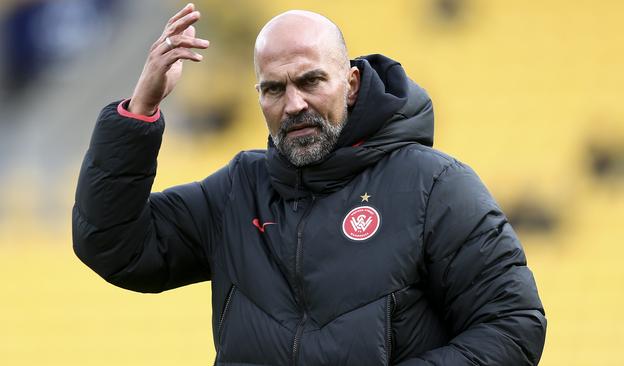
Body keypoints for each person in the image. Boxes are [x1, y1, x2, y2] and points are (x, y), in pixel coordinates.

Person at [73, 4, 546, 365]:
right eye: (274, 89)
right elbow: (113, 244)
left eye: (311, 81)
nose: (294, 104)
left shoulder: (435, 186)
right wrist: (140, 111)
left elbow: (512, 327)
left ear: (352, 83)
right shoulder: (238, 192)